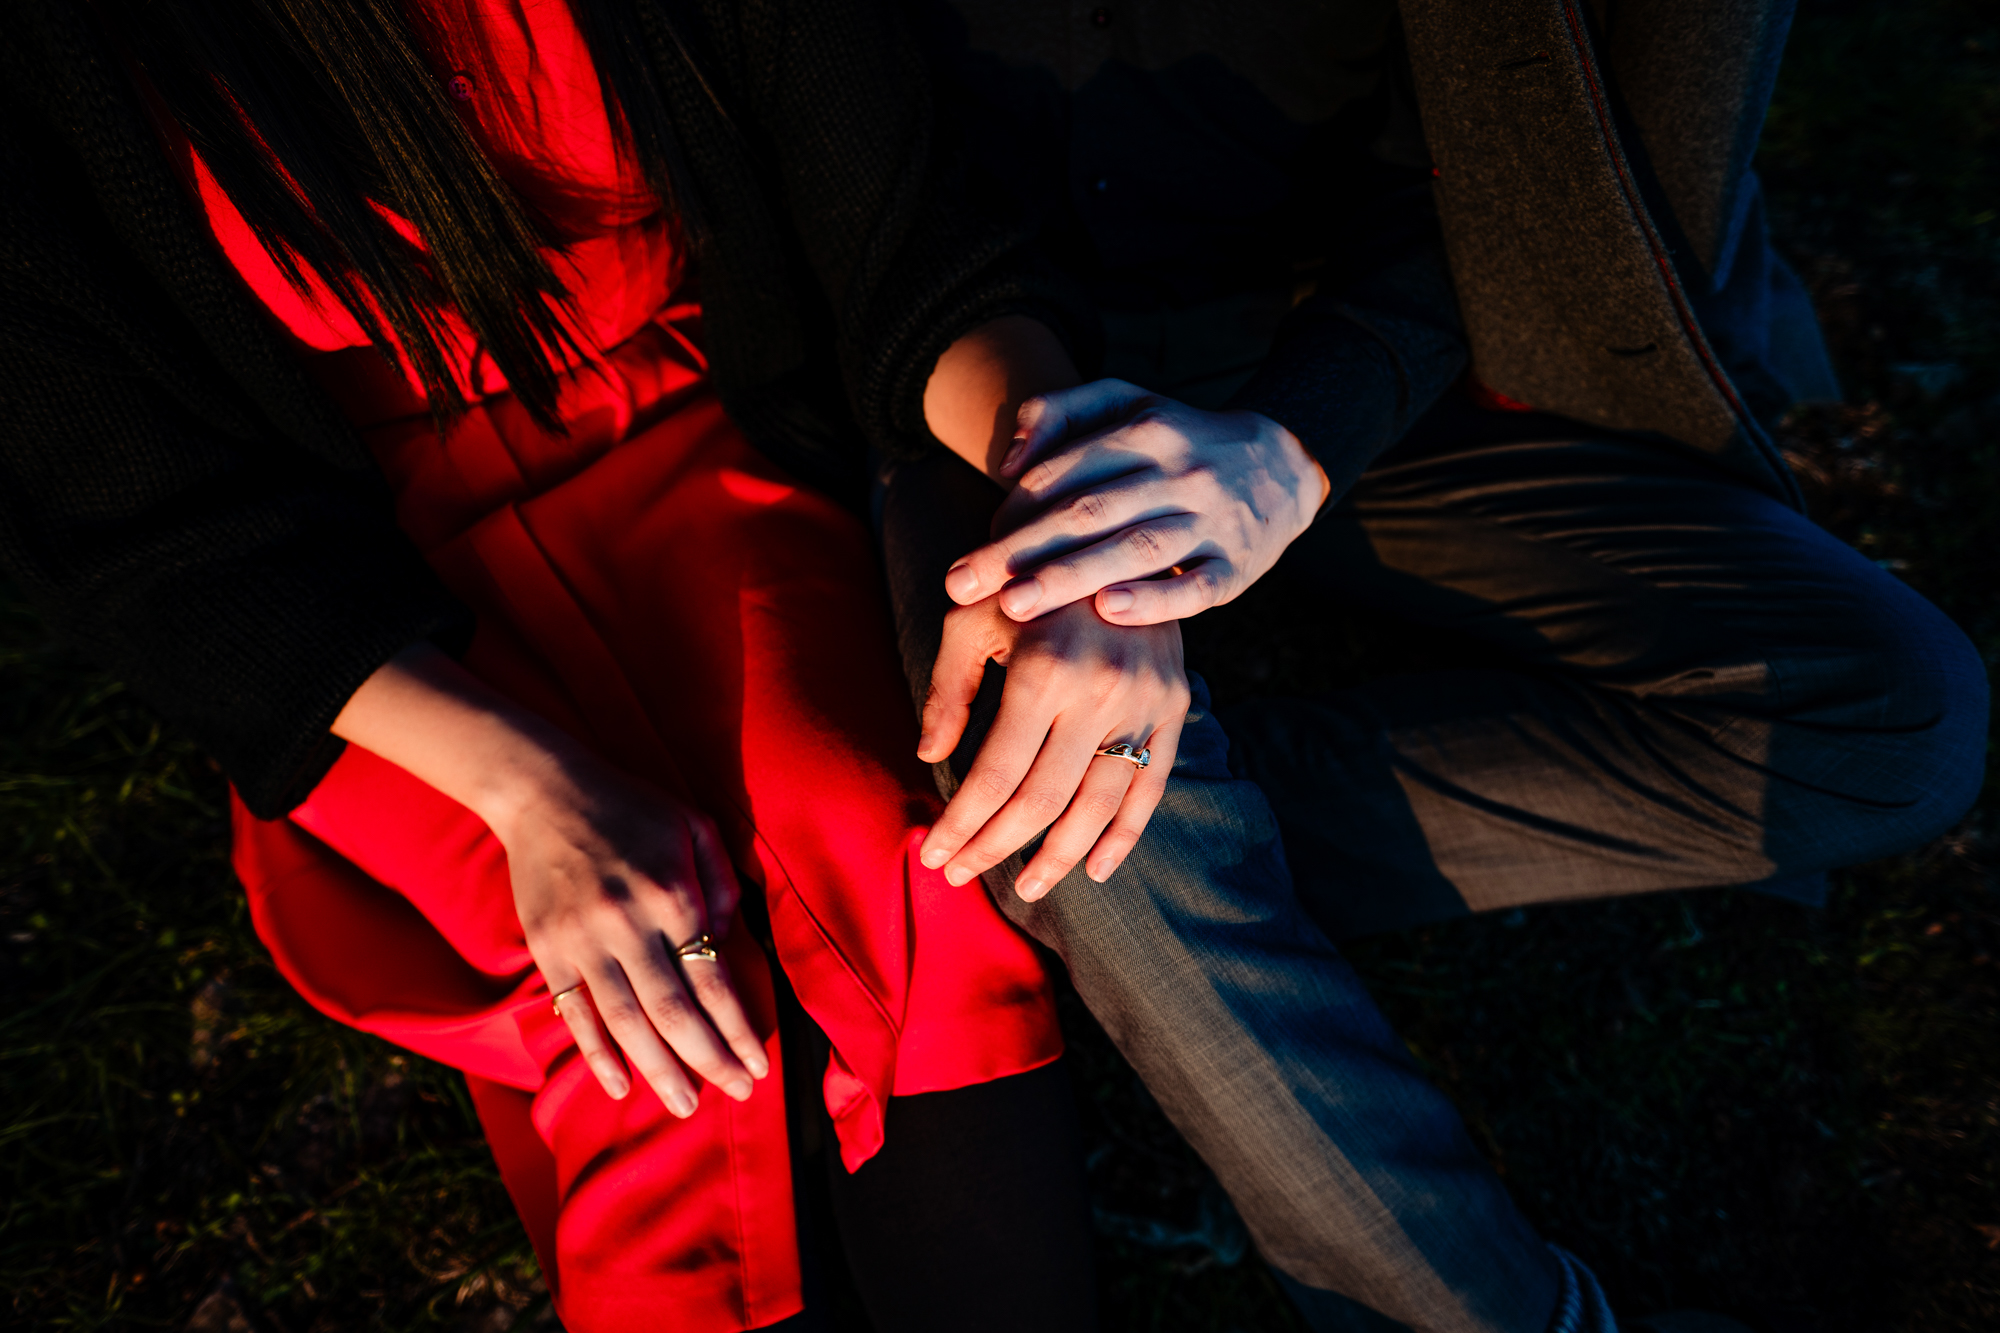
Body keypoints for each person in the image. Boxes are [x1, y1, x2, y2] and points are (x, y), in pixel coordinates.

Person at [0, 1, 1134, 1329]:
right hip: (341, 594)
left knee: (892, 857)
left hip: (695, 417)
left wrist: (1070, 505)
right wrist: (533, 796)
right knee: (630, 1008)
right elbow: (123, 514)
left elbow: (895, 207)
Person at [871, 1, 1992, 1330]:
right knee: (1069, 781)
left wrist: (1297, 438)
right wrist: (1067, 499)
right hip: (967, 391)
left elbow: (1535, 170)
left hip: (1341, 365)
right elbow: (836, 177)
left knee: (1895, 720)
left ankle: (1145, 875)